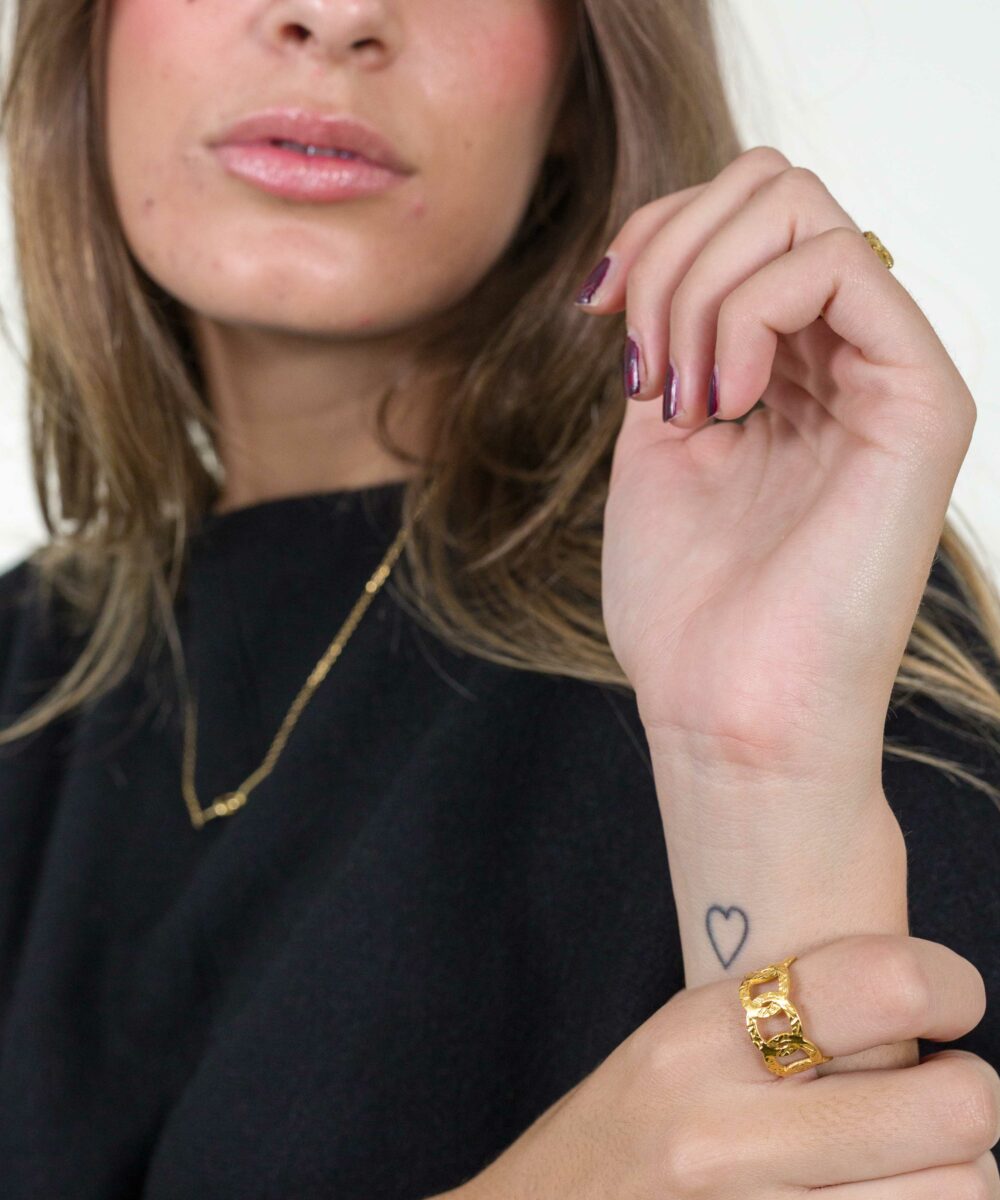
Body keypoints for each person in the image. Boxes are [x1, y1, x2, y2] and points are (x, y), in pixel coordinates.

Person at [0, 0, 997, 1197]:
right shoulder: (23, 665)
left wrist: (761, 772)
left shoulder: (778, 606)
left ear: (579, 77)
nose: (335, 16)